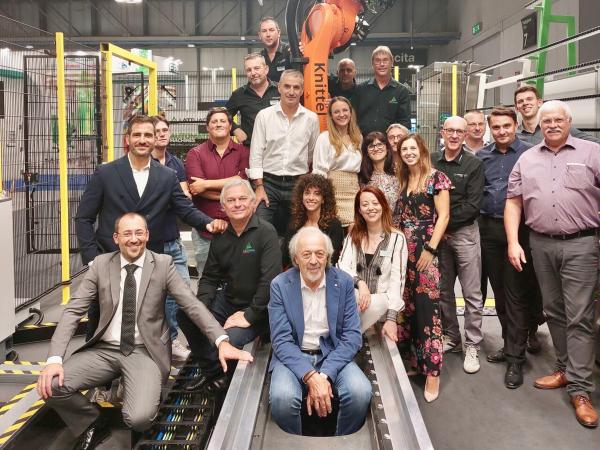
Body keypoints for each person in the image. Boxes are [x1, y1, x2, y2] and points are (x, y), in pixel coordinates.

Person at [37, 213, 252, 449]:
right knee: (50, 385)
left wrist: (221, 340)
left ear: (147, 235)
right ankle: (93, 423)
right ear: (116, 238)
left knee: (139, 418)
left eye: (139, 232)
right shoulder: (101, 265)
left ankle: (140, 388)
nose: (134, 239)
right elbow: (73, 311)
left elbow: (192, 305)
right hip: (105, 349)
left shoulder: (162, 264)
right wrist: (54, 359)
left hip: (144, 351)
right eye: (127, 234)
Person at [75, 115, 227, 338]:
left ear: (155, 139)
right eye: (137, 134)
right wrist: (92, 259)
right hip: (109, 259)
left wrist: (208, 222)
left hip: (148, 261)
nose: (142, 140)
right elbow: (83, 218)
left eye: (148, 135)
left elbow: (185, 209)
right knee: (101, 327)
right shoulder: (105, 173)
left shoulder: (166, 176)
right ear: (127, 138)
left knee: (149, 325)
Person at [506, 100, 600, 428]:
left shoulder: (592, 152)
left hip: (581, 244)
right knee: (554, 311)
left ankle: (581, 389)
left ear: (569, 122)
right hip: (541, 243)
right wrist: (514, 241)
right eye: (547, 121)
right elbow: (514, 202)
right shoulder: (527, 158)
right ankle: (564, 368)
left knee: (580, 317)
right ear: (539, 124)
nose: (552, 125)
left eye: (558, 119)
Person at [177, 179, 281, 392]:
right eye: (231, 200)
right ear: (223, 206)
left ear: (252, 202)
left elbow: (270, 281)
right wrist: (201, 309)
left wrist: (249, 315)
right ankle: (214, 373)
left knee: (230, 338)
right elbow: (209, 278)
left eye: (243, 199)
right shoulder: (221, 236)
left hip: (259, 309)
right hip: (228, 300)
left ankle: (221, 379)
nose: (237, 204)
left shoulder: (266, 233)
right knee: (186, 316)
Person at [268, 227, 372, 436]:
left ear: (327, 257)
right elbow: (281, 340)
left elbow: (352, 337)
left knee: (360, 392)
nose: (314, 260)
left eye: (320, 254)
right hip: (294, 356)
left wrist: (324, 375)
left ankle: (342, 440)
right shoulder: (280, 285)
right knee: (282, 398)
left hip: (332, 354)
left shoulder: (343, 282)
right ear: (296, 259)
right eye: (306, 254)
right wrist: (310, 376)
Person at [477, 107, 543, 389]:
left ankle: (516, 359)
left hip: (521, 231)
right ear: (490, 129)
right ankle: (510, 344)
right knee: (501, 294)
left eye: (506, 125)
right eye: (496, 127)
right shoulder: (482, 157)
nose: (502, 131)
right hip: (490, 229)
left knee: (516, 293)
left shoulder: (531, 154)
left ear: (515, 125)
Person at [394, 134, 450, 403]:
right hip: (404, 251)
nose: (408, 152)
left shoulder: (436, 178)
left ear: (422, 150)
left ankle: (433, 372)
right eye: (404, 149)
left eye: (412, 148)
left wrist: (430, 249)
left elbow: (444, 216)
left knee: (428, 310)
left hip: (426, 251)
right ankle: (417, 362)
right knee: (410, 308)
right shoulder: (404, 180)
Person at [433, 116, 485, 374]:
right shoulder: (432, 161)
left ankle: (473, 343)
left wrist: (443, 224)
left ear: (466, 136)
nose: (454, 135)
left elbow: (473, 205)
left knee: (471, 293)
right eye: (450, 130)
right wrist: (437, 230)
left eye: (459, 132)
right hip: (439, 237)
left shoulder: (474, 164)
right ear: (442, 132)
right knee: (443, 290)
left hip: (464, 234)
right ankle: (452, 336)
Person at [248, 69, 320, 236]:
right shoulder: (264, 116)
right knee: (260, 230)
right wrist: (259, 187)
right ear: (279, 87)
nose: (291, 91)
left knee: (297, 233)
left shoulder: (311, 119)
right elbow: (256, 154)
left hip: (298, 183)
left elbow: (311, 153)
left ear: (302, 91)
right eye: (287, 86)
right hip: (267, 184)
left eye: (296, 87)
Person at [185, 107, 250, 277]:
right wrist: (232, 189)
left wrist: (206, 184)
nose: (218, 124)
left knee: (239, 280)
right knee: (206, 280)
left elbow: (243, 182)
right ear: (207, 127)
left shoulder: (244, 152)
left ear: (230, 126)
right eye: (214, 121)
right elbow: (196, 188)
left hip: (238, 230)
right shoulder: (195, 154)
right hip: (205, 230)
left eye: (223, 121)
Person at [337, 186, 407, 340]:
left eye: (375, 203)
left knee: (377, 303)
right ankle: (349, 338)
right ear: (359, 210)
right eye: (365, 204)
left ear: (383, 206)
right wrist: (360, 283)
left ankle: (347, 338)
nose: (370, 208)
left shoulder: (397, 238)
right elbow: (342, 266)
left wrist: (391, 319)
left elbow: (397, 281)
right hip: (356, 301)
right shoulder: (353, 235)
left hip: (380, 307)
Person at [151, 115, 192, 362]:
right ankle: (159, 342)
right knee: (153, 296)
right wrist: (173, 197)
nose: (161, 134)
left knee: (181, 290)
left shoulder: (176, 163)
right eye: (156, 131)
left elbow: (185, 198)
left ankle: (171, 339)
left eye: (164, 130)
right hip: (151, 243)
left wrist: (172, 198)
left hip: (173, 239)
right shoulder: (145, 163)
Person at [312, 96, 362, 226]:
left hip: (354, 193)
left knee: (355, 230)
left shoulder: (358, 138)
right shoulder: (324, 138)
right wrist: (322, 198)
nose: (341, 114)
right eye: (336, 112)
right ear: (331, 116)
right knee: (335, 230)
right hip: (332, 195)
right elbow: (319, 173)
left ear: (351, 113)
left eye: (345, 110)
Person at [282, 174, 344, 267]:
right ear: (302, 197)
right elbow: (287, 256)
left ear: (323, 199)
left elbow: (332, 259)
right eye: (307, 193)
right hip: (297, 270)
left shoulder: (334, 224)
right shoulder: (295, 222)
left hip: (324, 271)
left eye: (316, 194)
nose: (311, 198)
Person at [353, 46, 411, 134]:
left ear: (392, 63)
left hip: (390, 141)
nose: (382, 64)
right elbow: (353, 118)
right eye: (377, 61)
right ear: (372, 64)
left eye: (385, 60)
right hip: (363, 140)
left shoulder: (401, 91)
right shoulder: (360, 89)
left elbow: (405, 123)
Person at [514, 85, 600, 145]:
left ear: (539, 103)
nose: (525, 103)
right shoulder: (514, 135)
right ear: (516, 108)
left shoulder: (557, 128)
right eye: (520, 101)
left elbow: (596, 143)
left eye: (529, 99)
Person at [226, 53, 280, 146]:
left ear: (266, 69)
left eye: (257, 68)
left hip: (278, 148)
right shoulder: (239, 94)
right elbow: (223, 115)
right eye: (249, 70)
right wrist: (235, 129)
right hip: (250, 148)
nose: (253, 73)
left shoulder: (280, 90)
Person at [358, 131, 400, 224]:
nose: (376, 148)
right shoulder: (362, 177)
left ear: (387, 148)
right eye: (371, 146)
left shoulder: (399, 172)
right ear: (366, 152)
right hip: (371, 226)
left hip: (396, 226)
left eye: (380, 144)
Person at [258, 16, 292, 83]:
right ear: (259, 35)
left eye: (271, 30)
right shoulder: (259, 58)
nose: (268, 34)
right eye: (264, 31)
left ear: (279, 33)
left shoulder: (291, 52)